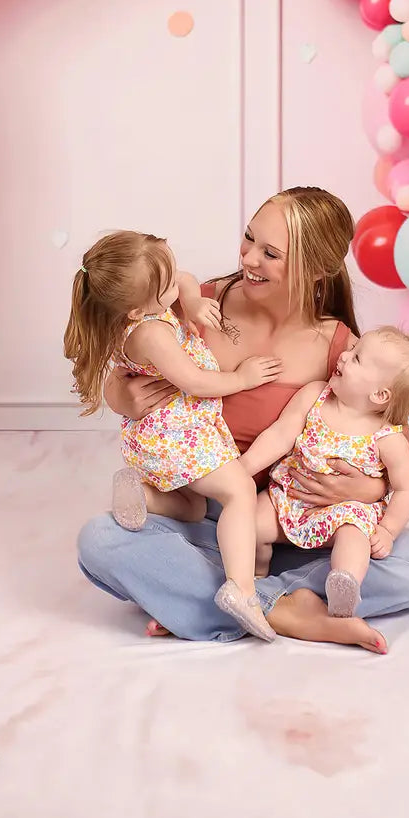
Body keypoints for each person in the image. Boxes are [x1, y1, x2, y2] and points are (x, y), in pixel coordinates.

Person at [76, 186, 409, 648]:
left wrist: (367, 489)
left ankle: (232, 598)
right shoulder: (197, 306)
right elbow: (121, 358)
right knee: (99, 540)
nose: (249, 258)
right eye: (249, 239)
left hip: (296, 526)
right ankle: (285, 609)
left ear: (316, 270)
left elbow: (392, 451)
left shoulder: (342, 349)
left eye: (271, 253)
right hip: (198, 513)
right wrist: (120, 396)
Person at [64, 230, 280, 641]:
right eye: (164, 285)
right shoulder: (150, 335)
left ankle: (145, 496)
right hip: (177, 435)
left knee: (194, 509)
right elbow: (195, 382)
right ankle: (243, 590)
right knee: (238, 492)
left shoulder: (140, 304)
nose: (175, 281)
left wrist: (194, 302)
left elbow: (183, 278)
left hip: (157, 438)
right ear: (135, 310)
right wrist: (241, 376)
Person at [241, 327, 409, 654]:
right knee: (250, 523)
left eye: (357, 357)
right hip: (290, 497)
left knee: (354, 536)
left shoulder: (387, 437)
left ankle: (344, 583)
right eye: (353, 349)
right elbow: (281, 434)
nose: (345, 356)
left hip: (345, 511)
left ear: (380, 395)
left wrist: (389, 530)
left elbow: (406, 488)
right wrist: (243, 470)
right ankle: (254, 577)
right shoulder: (316, 395)